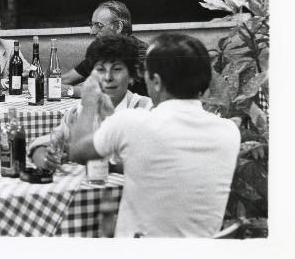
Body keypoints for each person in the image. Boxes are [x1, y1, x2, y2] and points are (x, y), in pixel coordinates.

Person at [68, 33, 240, 237]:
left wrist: (88, 99)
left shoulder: (133, 122)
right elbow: (172, 166)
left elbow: (78, 150)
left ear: (156, 81)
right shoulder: (229, 131)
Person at [29, 34, 152, 171]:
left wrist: (92, 160)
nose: (108, 77)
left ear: (131, 76)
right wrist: (45, 158)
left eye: (117, 69)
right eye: (100, 69)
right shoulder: (78, 112)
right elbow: (42, 144)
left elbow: (145, 163)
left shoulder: (144, 109)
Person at [61, 0, 148, 97]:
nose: (92, 32)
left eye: (98, 25)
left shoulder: (140, 52)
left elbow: (111, 90)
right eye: (92, 25)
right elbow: (67, 79)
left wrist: (71, 90)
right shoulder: (101, 51)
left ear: (118, 27)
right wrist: (48, 85)